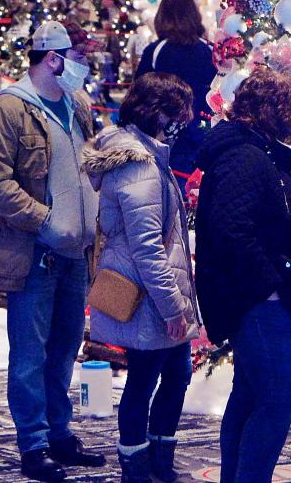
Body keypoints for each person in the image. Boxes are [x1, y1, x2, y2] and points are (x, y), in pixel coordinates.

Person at [193, 68, 291, 483]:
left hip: (261, 299)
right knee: (279, 397)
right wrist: (276, 282)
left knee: (251, 395)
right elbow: (231, 231)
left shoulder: (251, 152)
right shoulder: (245, 156)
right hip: (264, 303)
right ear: (273, 110)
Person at [0, 19, 107, 482]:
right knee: (30, 354)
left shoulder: (77, 104)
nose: (84, 66)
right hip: (34, 254)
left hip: (76, 252)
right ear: (54, 59)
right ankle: (33, 444)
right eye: (78, 57)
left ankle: (59, 433)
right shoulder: (7, 110)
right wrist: (45, 220)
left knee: (65, 347)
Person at [82, 72, 200, 483]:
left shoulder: (144, 156)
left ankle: (155, 459)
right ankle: (138, 465)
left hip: (152, 288)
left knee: (172, 372)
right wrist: (173, 307)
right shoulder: (140, 166)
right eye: (177, 113)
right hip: (147, 293)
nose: (183, 122)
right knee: (147, 378)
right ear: (158, 114)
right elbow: (148, 247)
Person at [135, 0, 217, 184]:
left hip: (163, 140)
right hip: (203, 136)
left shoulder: (155, 52)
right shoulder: (209, 51)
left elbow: (138, 96)